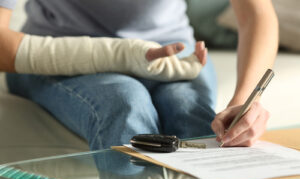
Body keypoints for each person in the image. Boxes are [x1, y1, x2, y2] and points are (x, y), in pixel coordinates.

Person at [0, 0, 278, 150]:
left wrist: (245, 101)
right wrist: (126, 54)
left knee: (195, 119)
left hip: (176, 56)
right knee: (124, 104)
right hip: (56, 55)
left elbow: (256, 14)